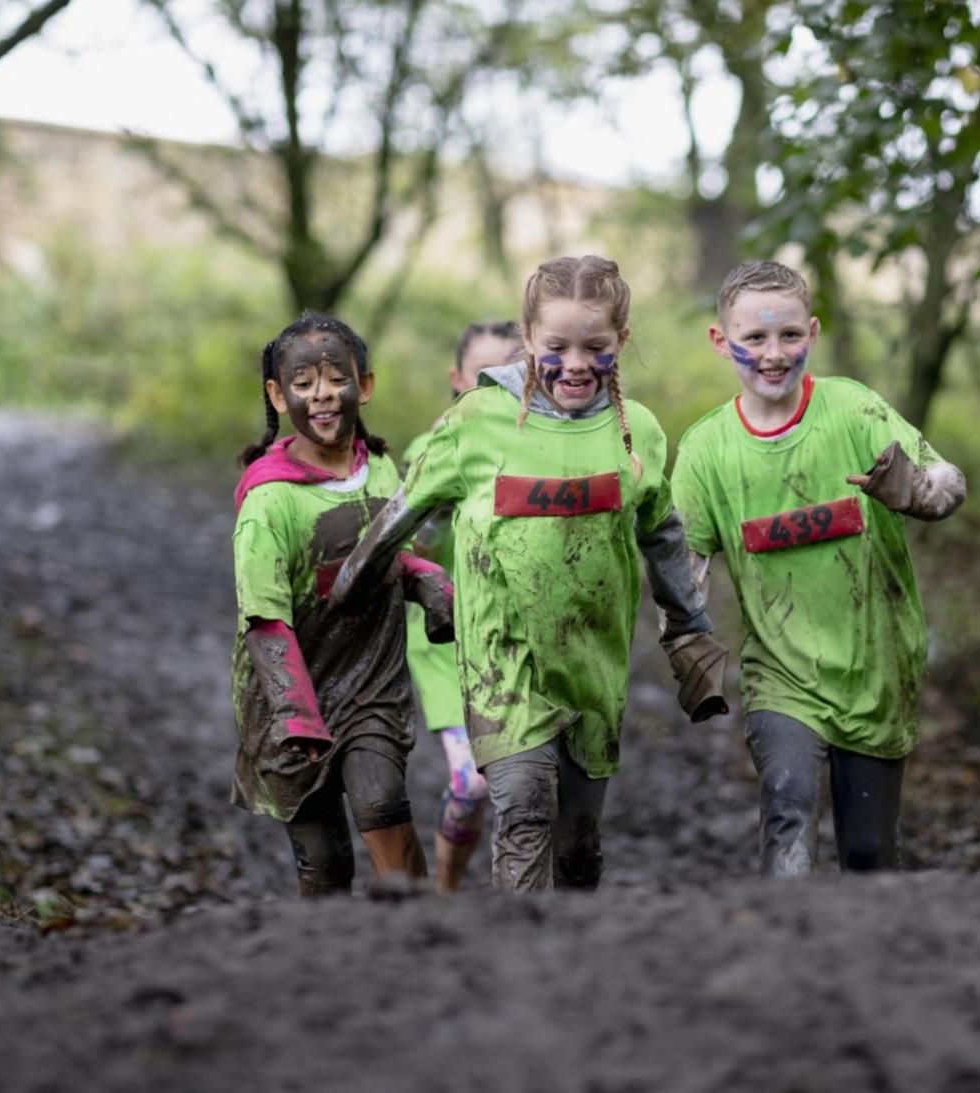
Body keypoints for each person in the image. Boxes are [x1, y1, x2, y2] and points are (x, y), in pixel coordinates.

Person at [332, 255, 730, 893]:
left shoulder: (640, 433)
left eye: (595, 347)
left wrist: (688, 626)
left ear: (621, 341)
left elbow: (662, 530)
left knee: (577, 847)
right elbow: (403, 515)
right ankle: (517, 957)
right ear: (527, 340)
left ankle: (569, 962)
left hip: (593, 666)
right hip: (501, 662)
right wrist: (347, 590)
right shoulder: (475, 424)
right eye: (556, 347)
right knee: (522, 810)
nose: (575, 363)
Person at [670, 260, 967, 878]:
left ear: (812, 331)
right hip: (781, 676)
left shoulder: (854, 410)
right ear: (721, 341)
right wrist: (687, 642)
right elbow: (684, 567)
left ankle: (867, 965)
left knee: (868, 854)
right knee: (788, 812)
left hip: (877, 668)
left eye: (789, 337)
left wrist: (913, 490)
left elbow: (949, 482)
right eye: (754, 339)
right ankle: (789, 962)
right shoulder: (705, 451)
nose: (773, 355)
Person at [229, 312, 455, 898]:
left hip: (371, 684)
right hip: (291, 696)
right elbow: (265, 619)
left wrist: (430, 584)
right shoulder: (269, 500)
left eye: (336, 379)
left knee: (383, 798)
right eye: (302, 385)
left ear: (365, 384)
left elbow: (391, 554)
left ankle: (418, 939)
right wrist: (295, 711)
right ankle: (329, 964)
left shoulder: (379, 469)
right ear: (278, 396)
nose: (322, 395)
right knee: (326, 865)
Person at [403, 319, 521, 892]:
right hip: (446, 642)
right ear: (457, 379)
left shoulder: (543, 442)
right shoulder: (433, 448)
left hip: (522, 634)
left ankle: (519, 891)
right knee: (474, 782)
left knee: (529, 776)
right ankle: (447, 882)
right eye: (484, 374)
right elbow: (407, 544)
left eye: (511, 370)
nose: (498, 384)